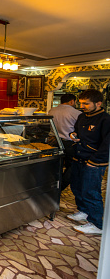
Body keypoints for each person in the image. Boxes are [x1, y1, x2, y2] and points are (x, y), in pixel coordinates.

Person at [67, 89, 110, 235]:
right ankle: (83, 211)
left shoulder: (105, 119)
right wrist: (73, 135)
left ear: (98, 103)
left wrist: (95, 161)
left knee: (91, 192)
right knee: (77, 187)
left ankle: (96, 223)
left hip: (94, 162)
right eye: (81, 103)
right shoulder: (82, 116)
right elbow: (76, 131)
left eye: (86, 103)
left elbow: (107, 144)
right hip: (79, 157)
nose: (82, 106)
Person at [48, 94, 81, 191]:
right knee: (73, 166)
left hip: (53, 141)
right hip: (69, 142)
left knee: (56, 164)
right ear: (72, 101)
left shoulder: (52, 110)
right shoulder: (76, 113)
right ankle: (60, 187)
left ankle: (53, 185)